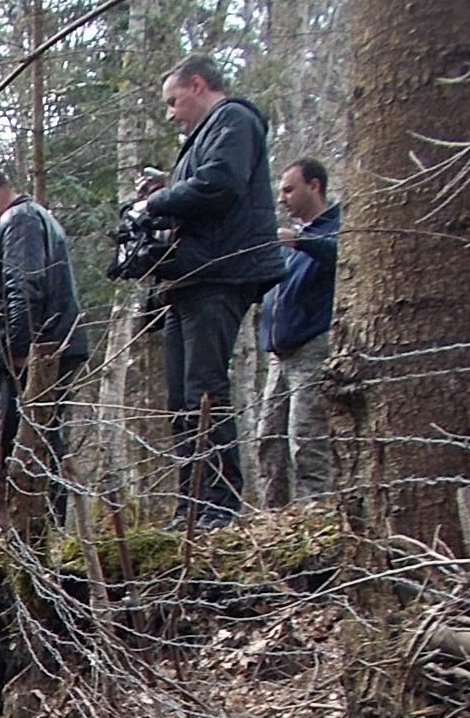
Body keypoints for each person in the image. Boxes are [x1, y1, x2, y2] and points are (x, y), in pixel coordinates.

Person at [137, 55, 285, 529]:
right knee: (181, 398)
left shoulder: (234, 119)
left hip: (219, 273)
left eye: (173, 101)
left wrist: (155, 203)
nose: (170, 113)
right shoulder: (207, 134)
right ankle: (191, 505)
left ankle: (219, 505)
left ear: (198, 85)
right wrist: (169, 189)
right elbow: (202, 185)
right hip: (188, 277)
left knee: (204, 391)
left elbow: (220, 184)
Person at [0, 166, 90, 530]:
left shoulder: (20, 220)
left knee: (33, 442)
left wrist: (19, 349)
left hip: (38, 353)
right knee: (39, 438)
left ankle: (40, 530)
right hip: (43, 348)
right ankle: (42, 528)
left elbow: (23, 286)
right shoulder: (31, 219)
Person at [255, 157, 340, 507]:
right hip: (278, 353)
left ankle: (315, 515)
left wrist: (301, 241)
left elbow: (343, 257)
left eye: (289, 190)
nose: (282, 198)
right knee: (268, 440)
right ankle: (273, 519)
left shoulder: (336, 227)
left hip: (312, 347)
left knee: (306, 439)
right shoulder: (288, 241)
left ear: (314, 186)